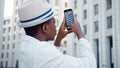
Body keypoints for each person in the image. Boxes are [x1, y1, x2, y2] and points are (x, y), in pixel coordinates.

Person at [17, 0, 96, 68]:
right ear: (45, 28)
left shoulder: (26, 45)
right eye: (54, 22)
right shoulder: (41, 51)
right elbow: (89, 65)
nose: (56, 26)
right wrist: (79, 33)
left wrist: (59, 38)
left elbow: (53, 63)